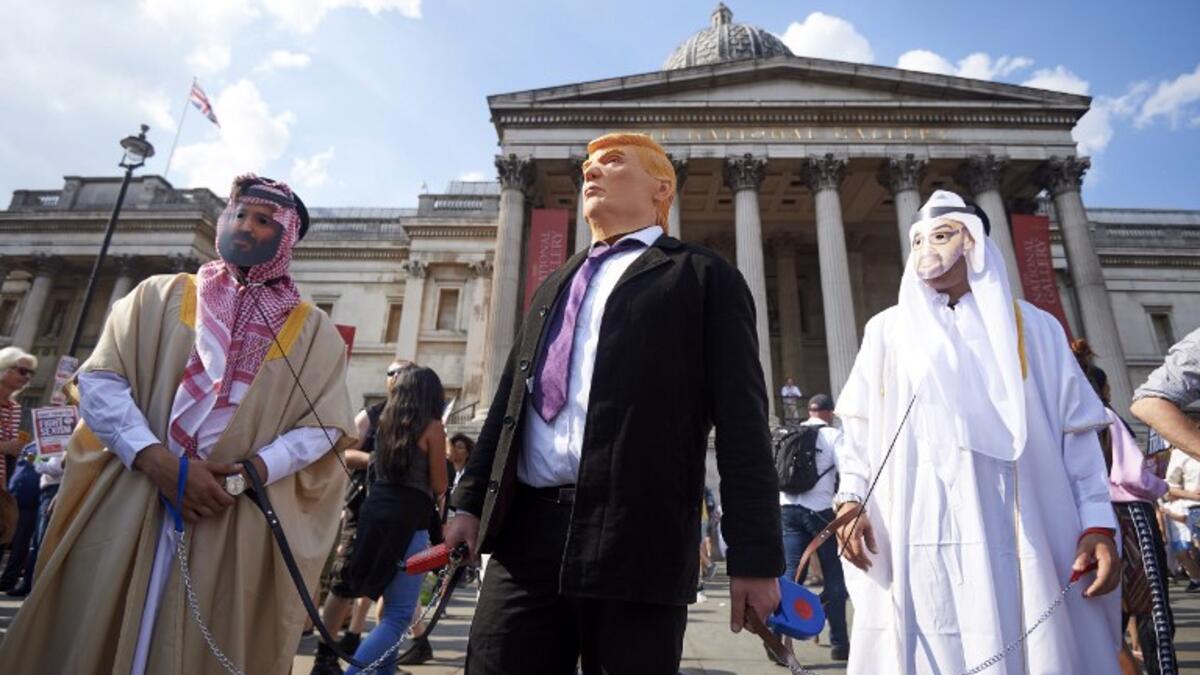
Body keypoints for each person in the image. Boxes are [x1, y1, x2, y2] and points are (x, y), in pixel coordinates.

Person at [444, 132, 783, 674]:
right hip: (527, 536)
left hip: (637, 533)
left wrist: (756, 558)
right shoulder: (555, 281)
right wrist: (468, 504)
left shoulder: (701, 275)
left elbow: (744, 426)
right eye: (587, 167)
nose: (591, 173)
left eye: (613, 162)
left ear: (661, 188)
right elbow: (512, 404)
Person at [0, 175, 355, 675]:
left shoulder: (314, 328)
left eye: (262, 220)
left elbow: (325, 427)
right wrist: (156, 459)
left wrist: (248, 471)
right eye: (238, 214)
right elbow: (100, 381)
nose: (245, 227)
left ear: (288, 236)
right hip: (135, 491)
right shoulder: (157, 293)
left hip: (230, 509)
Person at [834, 190, 1121, 674]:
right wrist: (850, 498)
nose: (928, 249)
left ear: (976, 244)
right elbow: (858, 429)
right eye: (919, 239)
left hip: (1019, 518)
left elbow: (1078, 436)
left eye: (943, 236)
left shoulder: (1037, 329)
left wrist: (1097, 521)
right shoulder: (887, 330)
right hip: (917, 520)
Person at [1073, 342, 1177, 675]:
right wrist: (1161, 484)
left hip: (1086, 520)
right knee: (1153, 613)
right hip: (1128, 514)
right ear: (1103, 387)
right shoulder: (1104, 415)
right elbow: (1133, 476)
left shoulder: (1066, 417)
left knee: (1104, 616)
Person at [340, 365, 449, 675]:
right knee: (399, 614)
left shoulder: (385, 422)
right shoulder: (432, 427)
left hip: (374, 517)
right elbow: (440, 485)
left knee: (387, 608)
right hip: (409, 523)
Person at [311, 359, 413, 675]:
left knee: (392, 590)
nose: (401, 379)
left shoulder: (418, 420)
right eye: (396, 373)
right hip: (364, 509)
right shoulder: (372, 414)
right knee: (344, 584)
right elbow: (340, 452)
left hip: (401, 517)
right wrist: (377, 460)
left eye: (409, 373)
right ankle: (324, 658)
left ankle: (383, 662)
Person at [773, 393, 848, 663]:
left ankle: (775, 639)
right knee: (834, 577)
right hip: (821, 512)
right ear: (829, 412)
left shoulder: (790, 432)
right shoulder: (832, 435)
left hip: (788, 509)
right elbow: (847, 472)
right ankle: (839, 642)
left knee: (791, 576)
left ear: (810, 411)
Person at [0, 347, 35, 553]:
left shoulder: (14, 408)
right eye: (23, 371)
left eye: (31, 374)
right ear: (5, 368)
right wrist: (6, 447)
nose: (27, 378)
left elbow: (9, 450)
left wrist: (27, 454)